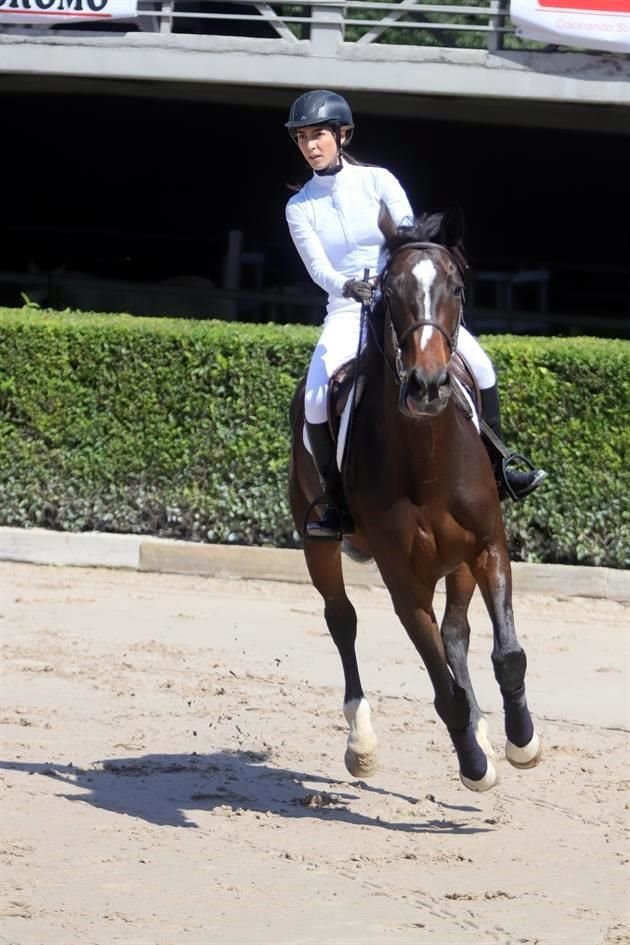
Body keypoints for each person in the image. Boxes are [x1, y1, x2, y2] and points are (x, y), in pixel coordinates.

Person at [285, 89, 546, 540]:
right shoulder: (299, 206)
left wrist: (393, 282)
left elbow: (406, 237)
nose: (311, 145)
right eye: (303, 137)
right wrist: (345, 285)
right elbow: (316, 266)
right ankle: (334, 501)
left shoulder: (379, 181)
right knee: (313, 397)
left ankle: (502, 467)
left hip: (402, 300)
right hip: (347, 307)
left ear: (342, 135)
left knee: (480, 365)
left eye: (319, 135)